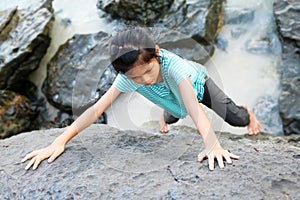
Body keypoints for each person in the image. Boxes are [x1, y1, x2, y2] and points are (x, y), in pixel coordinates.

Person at [22, 27, 261, 171]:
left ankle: (246, 111)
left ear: (156, 53)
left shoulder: (176, 69)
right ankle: (167, 113)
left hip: (197, 87)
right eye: (136, 78)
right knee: (173, 114)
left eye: (148, 71)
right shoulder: (129, 77)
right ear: (124, 74)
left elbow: (196, 110)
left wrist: (213, 146)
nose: (145, 80)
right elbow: (96, 110)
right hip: (172, 99)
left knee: (235, 119)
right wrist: (60, 141)